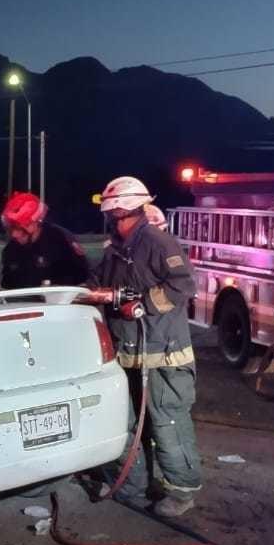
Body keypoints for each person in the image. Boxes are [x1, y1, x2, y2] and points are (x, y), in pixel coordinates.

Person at [85, 175, 202, 517]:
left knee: (167, 422)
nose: (111, 219)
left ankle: (181, 491)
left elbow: (183, 286)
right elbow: (97, 283)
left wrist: (139, 304)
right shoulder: (117, 250)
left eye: (114, 214)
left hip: (164, 354)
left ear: (124, 210)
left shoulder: (157, 242)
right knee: (128, 423)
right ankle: (131, 484)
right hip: (129, 355)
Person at [0, 191, 90, 290]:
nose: (14, 234)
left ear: (37, 223)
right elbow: (7, 284)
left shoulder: (60, 240)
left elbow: (84, 276)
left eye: (20, 228)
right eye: (11, 228)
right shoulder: (11, 250)